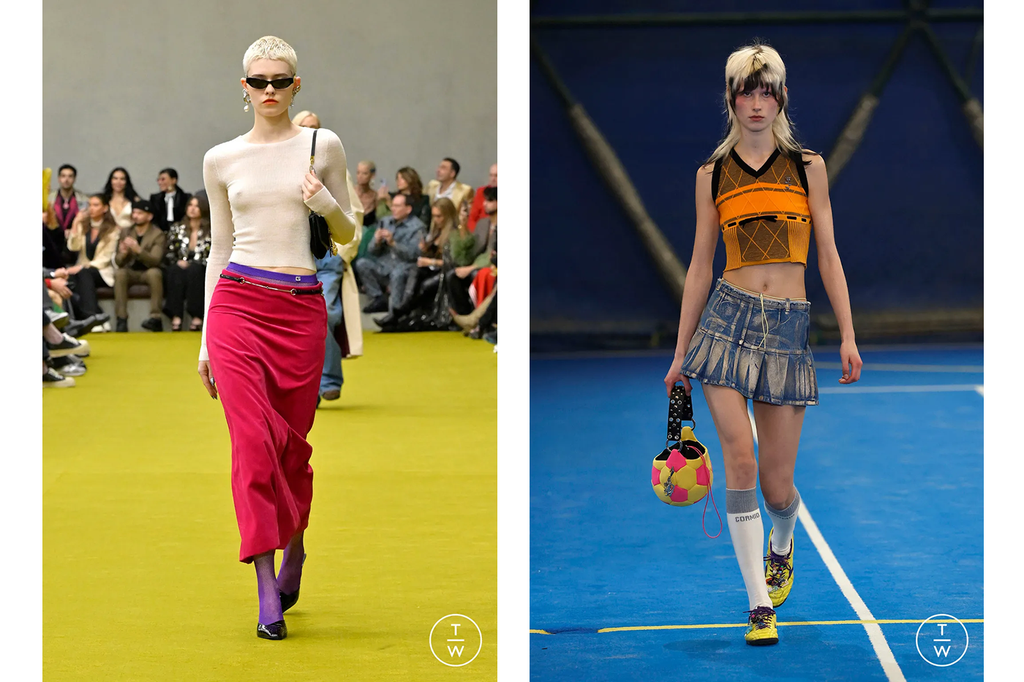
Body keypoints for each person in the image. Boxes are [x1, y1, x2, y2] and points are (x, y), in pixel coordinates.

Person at [662, 42, 863, 647]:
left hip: (787, 329)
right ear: (730, 98)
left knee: (778, 486)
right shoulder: (711, 174)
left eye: (766, 91)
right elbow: (700, 266)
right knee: (739, 459)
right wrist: (679, 355)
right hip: (724, 325)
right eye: (745, 92)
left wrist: (849, 333)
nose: (756, 103)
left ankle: (782, 541)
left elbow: (827, 253)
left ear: (780, 97)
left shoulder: (808, 167)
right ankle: (757, 605)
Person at [199, 35, 357, 641]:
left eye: (280, 81)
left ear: (297, 86)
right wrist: (207, 343)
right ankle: (265, 582)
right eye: (259, 81)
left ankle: (296, 547)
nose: (269, 90)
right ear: (244, 88)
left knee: (291, 448)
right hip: (237, 304)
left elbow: (348, 235)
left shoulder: (324, 145)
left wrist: (324, 203)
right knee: (252, 447)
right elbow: (217, 250)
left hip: (299, 310)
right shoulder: (221, 158)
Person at [293, 110, 365, 404]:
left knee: (328, 313)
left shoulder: (335, 164)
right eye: (306, 127)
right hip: (294, 254)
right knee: (298, 321)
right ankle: (305, 386)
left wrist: (344, 254)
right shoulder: (282, 163)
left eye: (316, 127)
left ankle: (328, 381)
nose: (312, 132)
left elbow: (354, 212)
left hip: (329, 255)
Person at [353, 193, 426, 320]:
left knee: (397, 273)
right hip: (384, 266)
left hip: (404, 268)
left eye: (397, 206)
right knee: (362, 263)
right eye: (393, 205)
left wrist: (393, 244)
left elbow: (414, 255)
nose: (393, 209)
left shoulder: (417, 227)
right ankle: (378, 298)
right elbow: (372, 251)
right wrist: (376, 242)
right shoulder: (385, 222)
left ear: (408, 209)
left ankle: (395, 315)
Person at [114, 199, 167, 332]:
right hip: (130, 271)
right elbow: (118, 261)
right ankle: (121, 319)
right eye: (134, 212)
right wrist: (124, 253)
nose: (135, 216)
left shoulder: (157, 234)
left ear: (149, 216)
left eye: (140, 213)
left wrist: (138, 250)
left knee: (155, 273)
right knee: (120, 273)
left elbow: (155, 260)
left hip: (147, 271)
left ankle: (155, 318)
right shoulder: (126, 232)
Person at [66, 194, 119, 325]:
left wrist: (82, 267)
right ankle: (96, 315)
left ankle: (92, 317)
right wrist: (75, 223)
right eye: (89, 205)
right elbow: (73, 247)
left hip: (102, 272)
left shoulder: (113, 229)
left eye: (96, 205)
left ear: (105, 208)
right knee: (69, 279)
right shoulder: (83, 225)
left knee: (84, 273)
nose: (91, 208)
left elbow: (105, 258)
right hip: (82, 270)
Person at [164, 195, 212, 331]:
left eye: (196, 206)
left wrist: (195, 263)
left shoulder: (211, 230)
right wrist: (178, 261)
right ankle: (176, 316)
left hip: (202, 266)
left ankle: (197, 315)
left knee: (195, 271)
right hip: (180, 265)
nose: (192, 209)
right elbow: (169, 252)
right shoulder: (177, 228)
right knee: (175, 271)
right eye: (190, 205)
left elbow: (213, 253)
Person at [148, 168, 191, 232]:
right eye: (158, 180)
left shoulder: (185, 197)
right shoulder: (155, 198)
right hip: (161, 232)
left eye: (163, 179)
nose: (160, 183)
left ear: (173, 180)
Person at [467, 162, 497, 231]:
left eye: (496, 176)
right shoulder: (481, 192)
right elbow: (472, 218)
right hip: (481, 232)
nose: (493, 179)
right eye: (491, 175)